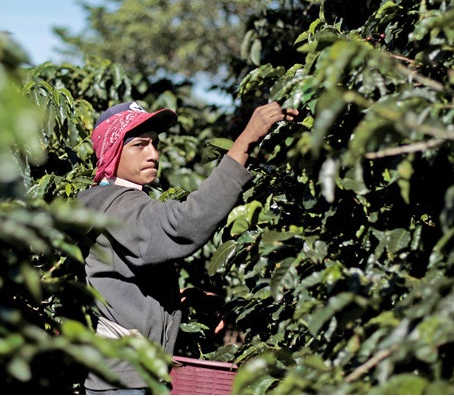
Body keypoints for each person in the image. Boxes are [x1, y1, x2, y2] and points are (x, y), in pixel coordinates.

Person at [78, 100, 298, 394]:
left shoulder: (111, 206)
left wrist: (178, 300)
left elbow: (121, 286)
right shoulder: (118, 206)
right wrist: (244, 142)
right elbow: (183, 225)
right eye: (139, 145)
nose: (153, 154)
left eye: (155, 144)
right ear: (112, 151)